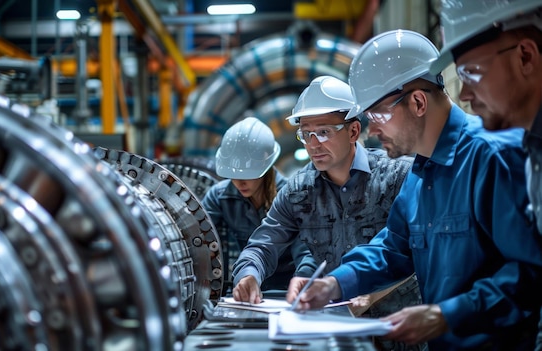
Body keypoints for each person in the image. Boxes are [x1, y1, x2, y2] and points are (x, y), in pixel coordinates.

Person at [287, 29, 542, 350]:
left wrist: (446, 315)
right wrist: (334, 284)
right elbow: (393, 247)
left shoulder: (491, 157)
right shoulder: (421, 173)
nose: (372, 130)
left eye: (377, 115)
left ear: (418, 102)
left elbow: (529, 272)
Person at [231, 76, 421, 351]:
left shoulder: (398, 177)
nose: (313, 144)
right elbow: (263, 245)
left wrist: (372, 294)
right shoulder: (298, 191)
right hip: (337, 337)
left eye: (323, 132)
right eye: (306, 134)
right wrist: (248, 276)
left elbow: (419, 252)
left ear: (354, 131)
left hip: (403, 333)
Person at [428, 2, 542, 348]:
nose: (464, 95)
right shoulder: (531, 153)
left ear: (525, 56)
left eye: (472, 73)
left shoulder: (496, 154)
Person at [202, 117, 315, 293]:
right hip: (247, 282)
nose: (239, 182)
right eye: (232, 174)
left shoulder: (291, 195)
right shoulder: (219, 197)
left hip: (288, 288)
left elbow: (305, 249)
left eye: (248, 174)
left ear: (266, 167)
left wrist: (305, 280)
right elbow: (200, 239)